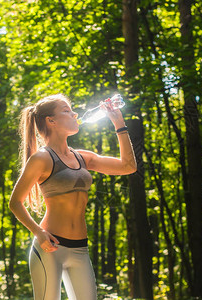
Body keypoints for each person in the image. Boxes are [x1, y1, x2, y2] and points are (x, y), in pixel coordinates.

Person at [9, 94, 136, 300]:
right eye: (67, 110)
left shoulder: (81, 157)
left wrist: (119, 123)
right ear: (51, 121)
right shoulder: (42, 158)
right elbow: (15, 202)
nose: (75, 113)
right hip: (50, 247)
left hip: (80, 249)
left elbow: (128, 166)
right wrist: (39, 233)